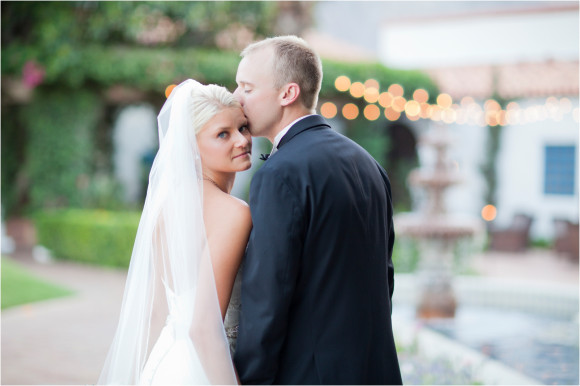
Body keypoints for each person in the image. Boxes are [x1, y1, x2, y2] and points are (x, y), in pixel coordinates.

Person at [233, 36, 403, 385]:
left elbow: (267, 297)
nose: (237, 98)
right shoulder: (369, 164)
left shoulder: (279, 174)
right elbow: (383, 278)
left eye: (246, 88)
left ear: (287, 93)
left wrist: (251, 379)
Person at [98, 79, 252, 385]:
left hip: (165, 362)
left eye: (243, 127)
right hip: (201, 369)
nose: (242, 140)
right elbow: (204, 328)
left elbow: (157, 313)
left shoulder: (168, 207)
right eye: (223, 134)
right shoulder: (234, 212)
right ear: (190, 146)